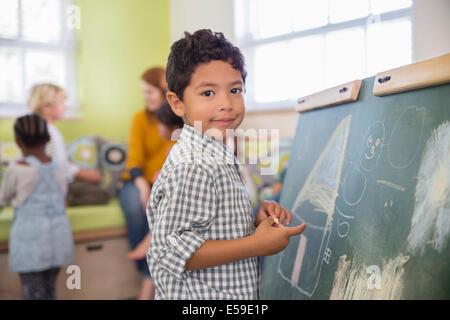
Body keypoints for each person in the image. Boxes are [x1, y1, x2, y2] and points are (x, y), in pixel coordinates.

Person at [147, 29, 306, 299]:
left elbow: (211, 229)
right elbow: (169, 251)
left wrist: (252, 223)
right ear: (177, 103)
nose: (226, 104)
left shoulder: (216, 153)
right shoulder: (194, 164)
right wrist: (255, 245)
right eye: (208, 93)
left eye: (235, 90)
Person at [0, 114, 74, 300]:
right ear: (48, 138)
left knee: (32, 293)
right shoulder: (59, 167)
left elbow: (3, 199)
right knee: (49, 292)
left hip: (30, 246)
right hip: (58, 241)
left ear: (18, 142)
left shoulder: (17, 169)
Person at [119, 67, 175, 300]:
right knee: (136, 208)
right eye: (144, 92)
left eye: (150, 92)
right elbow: (134, 160)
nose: (146, 97)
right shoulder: (139, 119)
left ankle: (151, 278)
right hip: (136, 180)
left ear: (164, 91)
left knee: (167, 210)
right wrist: (142, 185)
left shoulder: (176, 121)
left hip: (162, 181)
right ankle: (148, 275)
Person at [126, 102, 184, 260]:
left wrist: (159, 178)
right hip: (158, 183)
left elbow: (175, 176)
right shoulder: (178, 146)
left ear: (168, 127)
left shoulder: (176, 148)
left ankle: (151, 238)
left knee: (165, 206)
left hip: (175, 190)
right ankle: (151, 239)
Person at [28, 84, 102, 197]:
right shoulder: (46, 132)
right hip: (51, 190)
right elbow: (59, 167)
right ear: (45, 108)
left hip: (54, 184)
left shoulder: (46, 129)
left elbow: (60, 161)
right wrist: (85, 174)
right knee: (99, 194)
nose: (66, 107)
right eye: (62, 103)